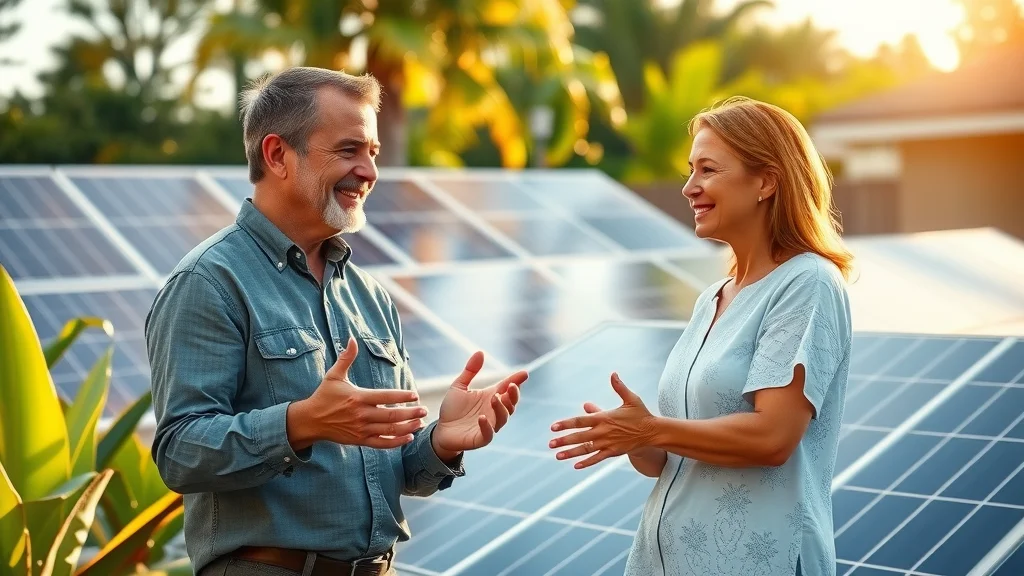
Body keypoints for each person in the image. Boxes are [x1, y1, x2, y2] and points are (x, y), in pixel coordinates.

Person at [146, 67, 526, 576]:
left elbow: (395, 467)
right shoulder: (209, 282)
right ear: (277, 154)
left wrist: (439, 442)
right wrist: (301, 423)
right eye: (349, 150)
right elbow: (180, 453)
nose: (369, 172)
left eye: (373, 153)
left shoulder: (370, 296)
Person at [548, 96, 854, 576]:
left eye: (708, 170)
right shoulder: (712, 298)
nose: (690, 188)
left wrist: (651, 429)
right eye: (691, 170)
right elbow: (668, 460)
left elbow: (773, 437)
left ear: (767, 181)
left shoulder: (808, 283)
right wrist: (635, 437)